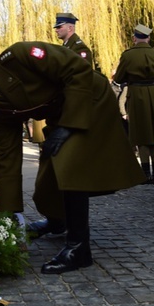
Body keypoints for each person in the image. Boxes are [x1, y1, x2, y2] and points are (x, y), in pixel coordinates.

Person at [0, 44, 144, 274]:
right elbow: (8, 157)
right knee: (46, 179)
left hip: (89, 100)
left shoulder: (20, 57)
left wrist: (68, 125)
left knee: (70, 165)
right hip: (59, 114)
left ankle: (79, 249)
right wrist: (7, 215)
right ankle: (57, 220)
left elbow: (77, 70)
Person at [28, 13, 94, 238]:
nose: (56, 30)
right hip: (59, 116)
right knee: (52, 173)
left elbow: (80, 84)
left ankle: (68, 227)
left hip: (71, 118)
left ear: (70, 27)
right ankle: (56, 219)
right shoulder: (67, 48)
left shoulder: (80, 50)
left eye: (59, 27)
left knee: (68, 174)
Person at [113, 24, 154, 184]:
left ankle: (145, 173)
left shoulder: (128, 55)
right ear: (149, 38)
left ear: (134, 38)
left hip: (136, 95)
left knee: (141, 134)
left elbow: (118, 78)